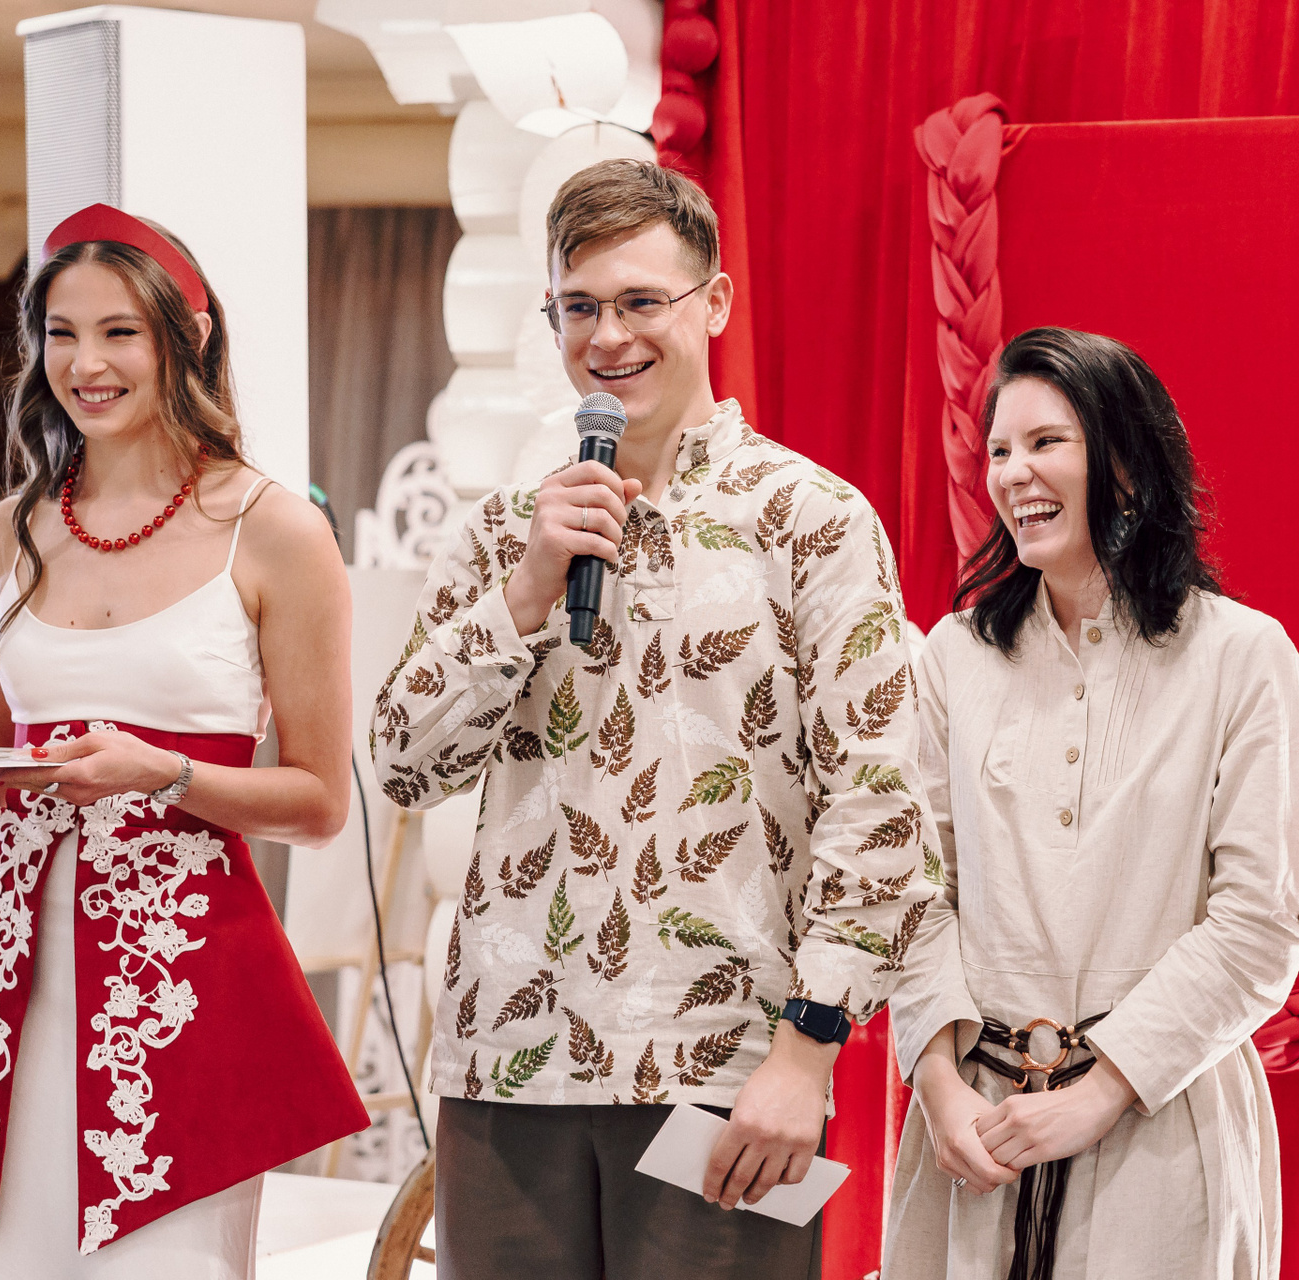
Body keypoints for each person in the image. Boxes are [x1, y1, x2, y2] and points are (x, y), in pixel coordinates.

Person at [370, 159, 934, 1280]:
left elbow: (879, 802)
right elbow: (401, 763)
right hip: (506, 1066)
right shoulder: (505, 532)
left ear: (713, 304)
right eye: (578, 307)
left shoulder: (813, 518)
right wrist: (524, 593)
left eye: (640, 301)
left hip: (721, 1066)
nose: (609, 336)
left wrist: (808, 1052)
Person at [0, 205, 366, 1277]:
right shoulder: (2, 535)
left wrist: (167, 774)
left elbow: (320, 803)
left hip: (175, 993)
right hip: (1, 989)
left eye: (120, 332)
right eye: (61, 333)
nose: (85, 364)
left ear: (186, 339)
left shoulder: (275, 531)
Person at [884, 327, 1299, 1280]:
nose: (1014, 473)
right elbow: (913, 891)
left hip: (1161, 1122)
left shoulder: (1243, 657)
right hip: (973, 1131)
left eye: (1047, 442)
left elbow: (1262, 921)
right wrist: (939, 1083)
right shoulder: (953, 657)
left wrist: (1101, 1090)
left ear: (1124, 459)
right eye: (1000, 449)